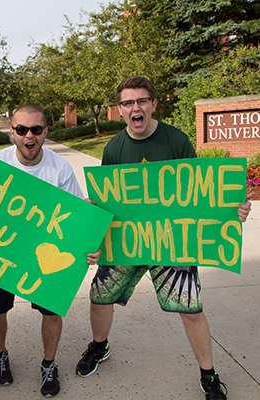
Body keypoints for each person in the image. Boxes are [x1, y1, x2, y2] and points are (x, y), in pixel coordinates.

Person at [74, 76, 253, 400]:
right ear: (120, 109)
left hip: (171, 243)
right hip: (127, 242)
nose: (135, 107)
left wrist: (233, 211)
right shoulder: (114, 148)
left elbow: (203, 194)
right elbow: (105, 203)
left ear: (154, 104)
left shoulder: (176, 141)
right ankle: (99, 347)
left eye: (142, 100)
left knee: (191, 309)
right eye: (128, 102)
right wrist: (94, 225)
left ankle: (208, 375)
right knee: (100, 296)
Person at [0, 104, 101, 397]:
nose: (28, 135)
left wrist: (88, 241)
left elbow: (76, 217)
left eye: (35, 129)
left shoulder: (60, 168)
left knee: (52, 311)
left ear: (45, 132)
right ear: (12, 133)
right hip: (2, 252)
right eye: (21, 129)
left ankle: (48, 363)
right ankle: (0, 355)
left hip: (46, 257)